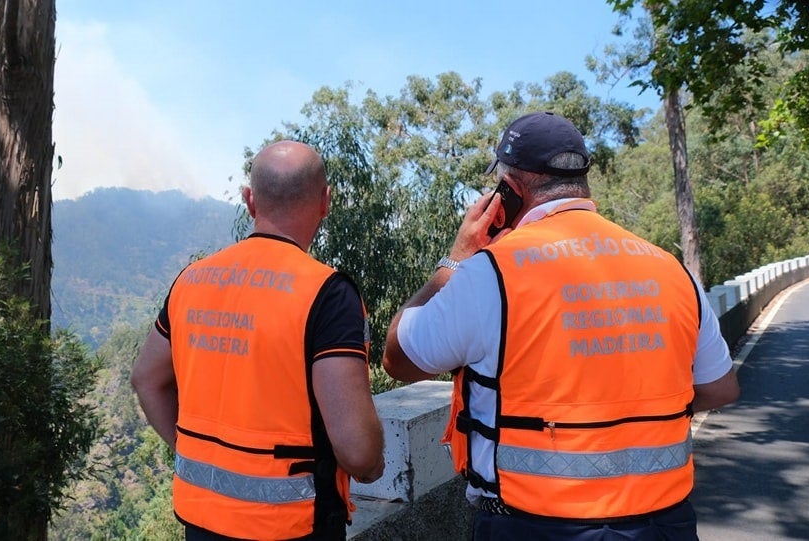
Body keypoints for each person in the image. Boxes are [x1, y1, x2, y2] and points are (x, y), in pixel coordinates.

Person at [382, 112, 739, 540]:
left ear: (509, 190)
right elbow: (720, 388)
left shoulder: (491, 273)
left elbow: (399, 359)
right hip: (664, 524)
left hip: (532, 525)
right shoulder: (670, 268)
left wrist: (454, 260)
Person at [131, 140, 385, 541]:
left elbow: (146, 379)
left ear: (249, 200)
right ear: (325, 201)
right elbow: (358, 452)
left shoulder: (191, 280)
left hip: (202, 520)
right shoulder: (327, 294)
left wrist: (193, 452)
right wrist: (373, 464)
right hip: (290, 526)